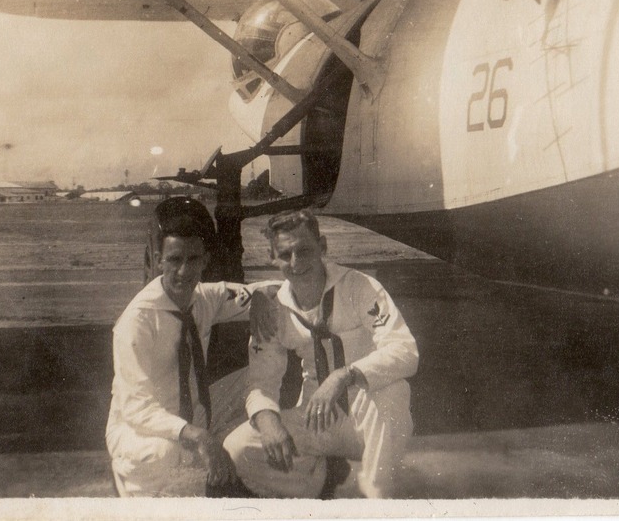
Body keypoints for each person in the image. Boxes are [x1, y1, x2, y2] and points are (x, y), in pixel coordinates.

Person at [223, 209, 419, 498]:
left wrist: (345, 375)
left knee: (393, 391)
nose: (295, 262)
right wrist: (269, 422)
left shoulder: (359, 287)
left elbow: (405, 349)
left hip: (369, 419)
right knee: (237, 449)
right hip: (317, 419)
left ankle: (379, 498)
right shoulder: (272, 309)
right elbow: (261, 382)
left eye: (304, 251)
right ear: (272, 257)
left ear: (323, 247)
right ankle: (319, 486)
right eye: (285, 254)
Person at [105, 210, 264, 497]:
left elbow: (260, 290)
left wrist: (262, 298)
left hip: (192, 412)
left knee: (256, 379)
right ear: (157, 261)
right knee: (163, 453)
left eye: (193, 259)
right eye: (175, 259)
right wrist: (198, 435)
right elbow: (136, 408)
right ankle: (131, 484)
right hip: (140, 427)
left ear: (205, 261)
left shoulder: (203, 297)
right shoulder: (136, 322)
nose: (184, 271)